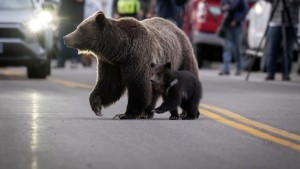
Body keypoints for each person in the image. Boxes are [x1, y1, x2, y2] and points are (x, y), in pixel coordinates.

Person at [264, 0, 300, 81]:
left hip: (292, 21)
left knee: (288, 50)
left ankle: (286, 73)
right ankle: (270, 73)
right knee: (272, 49)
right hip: (275, 21)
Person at [219, 0, 248, 76]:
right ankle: (226, 68)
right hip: (227, 24)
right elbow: (221, 8)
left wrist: (236, 20)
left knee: (238, 48)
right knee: (227, 47)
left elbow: (244, 10)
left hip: (237, 26)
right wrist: (224, 8)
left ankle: (239, 68)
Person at [55, 0, 85, 68]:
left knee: (75, 40)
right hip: (63, 18)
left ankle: (75, 60)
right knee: (62, 40)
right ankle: (61, 62)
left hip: (75, 18)